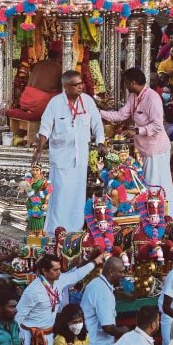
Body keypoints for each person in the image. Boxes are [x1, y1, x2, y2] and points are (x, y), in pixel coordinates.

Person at [32, 70, 105, 235]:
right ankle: (54, 232)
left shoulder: (87, 101)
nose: (80, 87)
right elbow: (45, 128)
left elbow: (97, 124)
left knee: (77, 196)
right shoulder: (55, 103)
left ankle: (75, 230)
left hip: (80, 159)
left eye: (81, 84)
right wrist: (39, 149)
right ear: (65, 86)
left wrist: (100, 142)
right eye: (76, 85)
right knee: (59, 196)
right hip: (61, 158)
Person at [17, 253, 102, 345]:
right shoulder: (33, 291)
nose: (59, 272)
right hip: (32, 337)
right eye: (55, 270)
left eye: (59, 269)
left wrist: (94, 263)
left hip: (49, 335)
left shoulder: (59, 280)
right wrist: (19, 339)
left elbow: (76, 275)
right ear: (44, 271)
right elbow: (18, 316)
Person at [100, 68, 173, 209]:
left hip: (155, 149)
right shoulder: (134, 97)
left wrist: (137, 131)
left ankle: (162, 218)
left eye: (126, 83)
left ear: (132, 83)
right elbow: (121, 115)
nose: (125, 86)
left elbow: (158, 125)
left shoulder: (152, 97)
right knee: (146, 186)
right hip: (144, 149)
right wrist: (99, 113)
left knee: (155, 187)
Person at [83, 257, 126, 345]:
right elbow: (108, 327)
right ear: (111, 272)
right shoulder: (103, 292)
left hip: (90, 343)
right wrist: (125, 331)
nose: (123, 275)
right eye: (121, 272)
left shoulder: (97, 283)